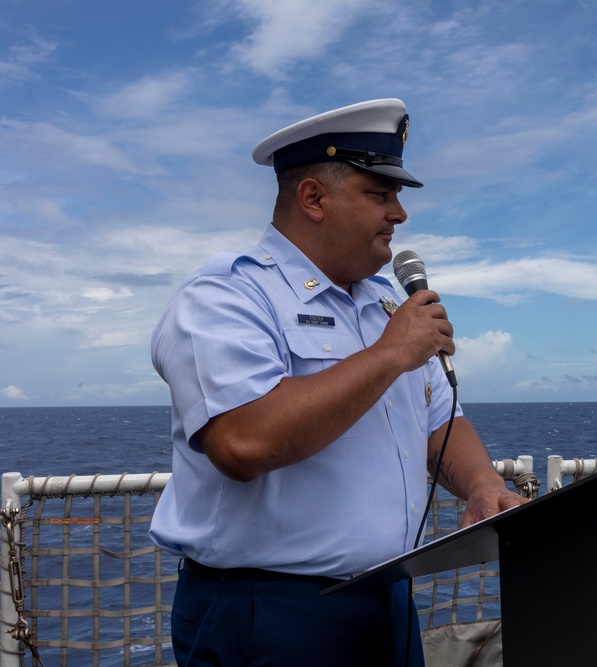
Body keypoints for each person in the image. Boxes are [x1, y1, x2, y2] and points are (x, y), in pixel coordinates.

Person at [149, 98, 527, 666]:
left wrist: (478, 485)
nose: (399, 214)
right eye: (380, 195)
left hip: (389, 599)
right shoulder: (226, 296)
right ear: (313, 198)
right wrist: (389, 354)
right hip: (268, 611)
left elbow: (440, 422)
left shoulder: (385, 308)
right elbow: (242, 442)